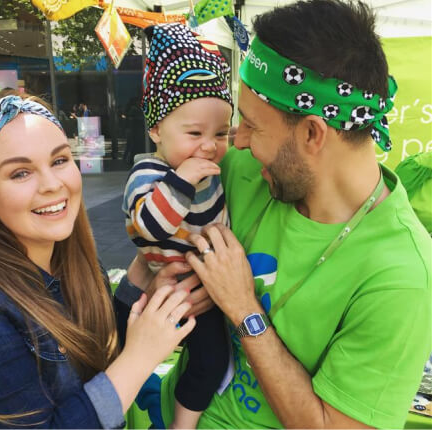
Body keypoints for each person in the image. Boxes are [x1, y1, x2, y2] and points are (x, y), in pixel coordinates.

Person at [115, 1, 432, 428]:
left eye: (248, 125)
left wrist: (244, 308)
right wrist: (163, 266)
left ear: (311, 133)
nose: (236, 143)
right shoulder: (240, 170)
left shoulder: (402, 276)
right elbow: (157, 231)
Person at [0, 91, 196, 428]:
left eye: (60, 160)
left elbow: (90, 355)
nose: (52, 184)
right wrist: (141, 357)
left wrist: (139, 282)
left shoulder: (70, 263)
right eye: (20, 173)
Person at [121, 23, 233, 429]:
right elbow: (147, 227)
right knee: (196, 360)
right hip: (169, 295)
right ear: (155, 130)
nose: (209, 145)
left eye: (221, 133)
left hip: (204, 292)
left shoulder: (212, 168)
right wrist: (181, 181)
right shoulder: (148, 174)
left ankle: (174, 415)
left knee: (210, 361)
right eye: (194, 133)